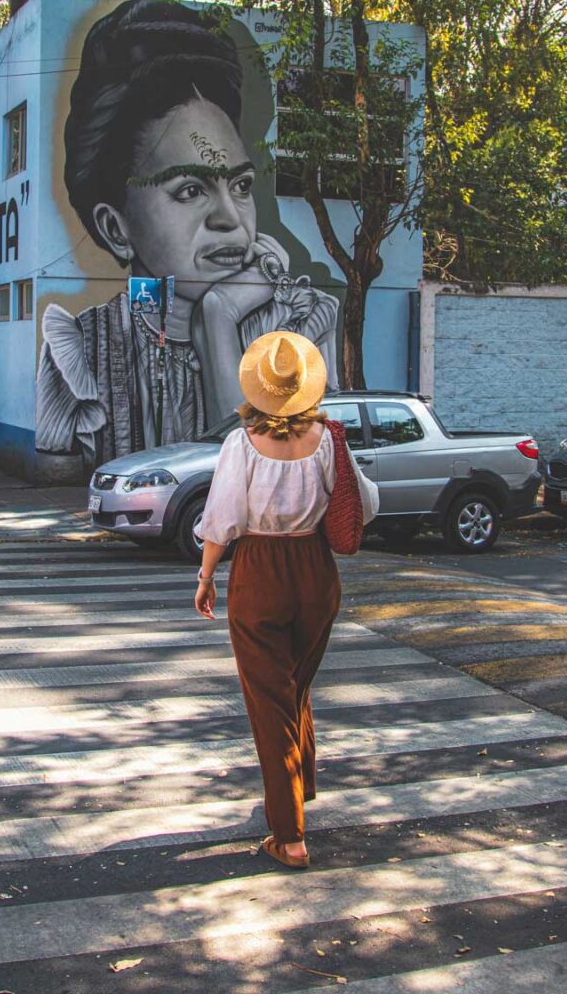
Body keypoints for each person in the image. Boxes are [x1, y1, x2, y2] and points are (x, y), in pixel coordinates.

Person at [35, 0, 339, 466]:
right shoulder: (81, 352)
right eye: (190, 190)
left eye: (239, 185)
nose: (230, 219)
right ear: (116, 229)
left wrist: (218, 320)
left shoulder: (298, 326)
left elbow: (264, 476)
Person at [194, 330, 379, 869]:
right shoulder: (328, 439)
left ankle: (289, 833)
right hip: (315, 574)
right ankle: (302, 790)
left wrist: (206, 577)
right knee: (294, 687)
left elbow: (222, 521)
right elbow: (363, 506)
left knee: (268, 701)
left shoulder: (240, 444)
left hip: (260, 572)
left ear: (257, 391)